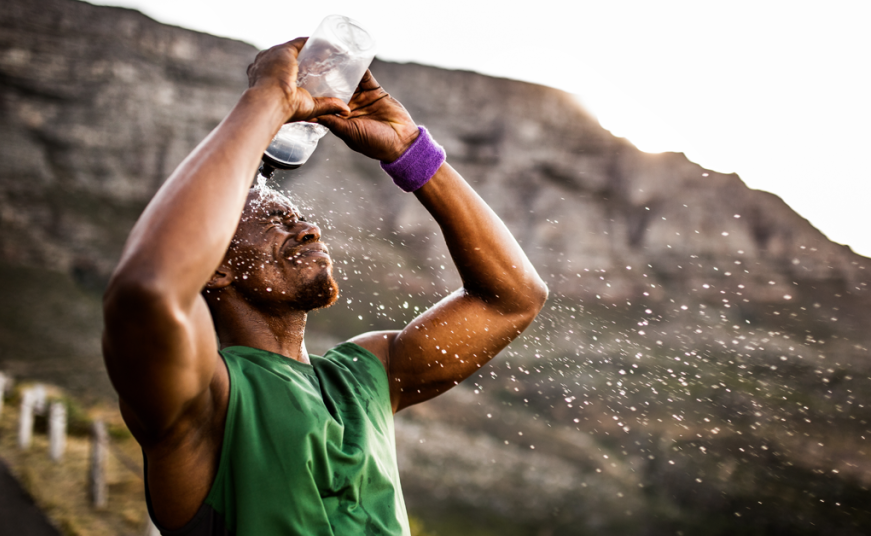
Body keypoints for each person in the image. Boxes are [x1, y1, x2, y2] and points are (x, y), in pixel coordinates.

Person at [101, 38, 547, 536]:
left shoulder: (366, 375)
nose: (309, 230)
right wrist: (268, 99)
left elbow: (512, 298)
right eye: (275, 221)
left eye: (301, 218)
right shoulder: (204, 397)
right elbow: (147, 291)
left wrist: (410, 152)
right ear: (216, 268)